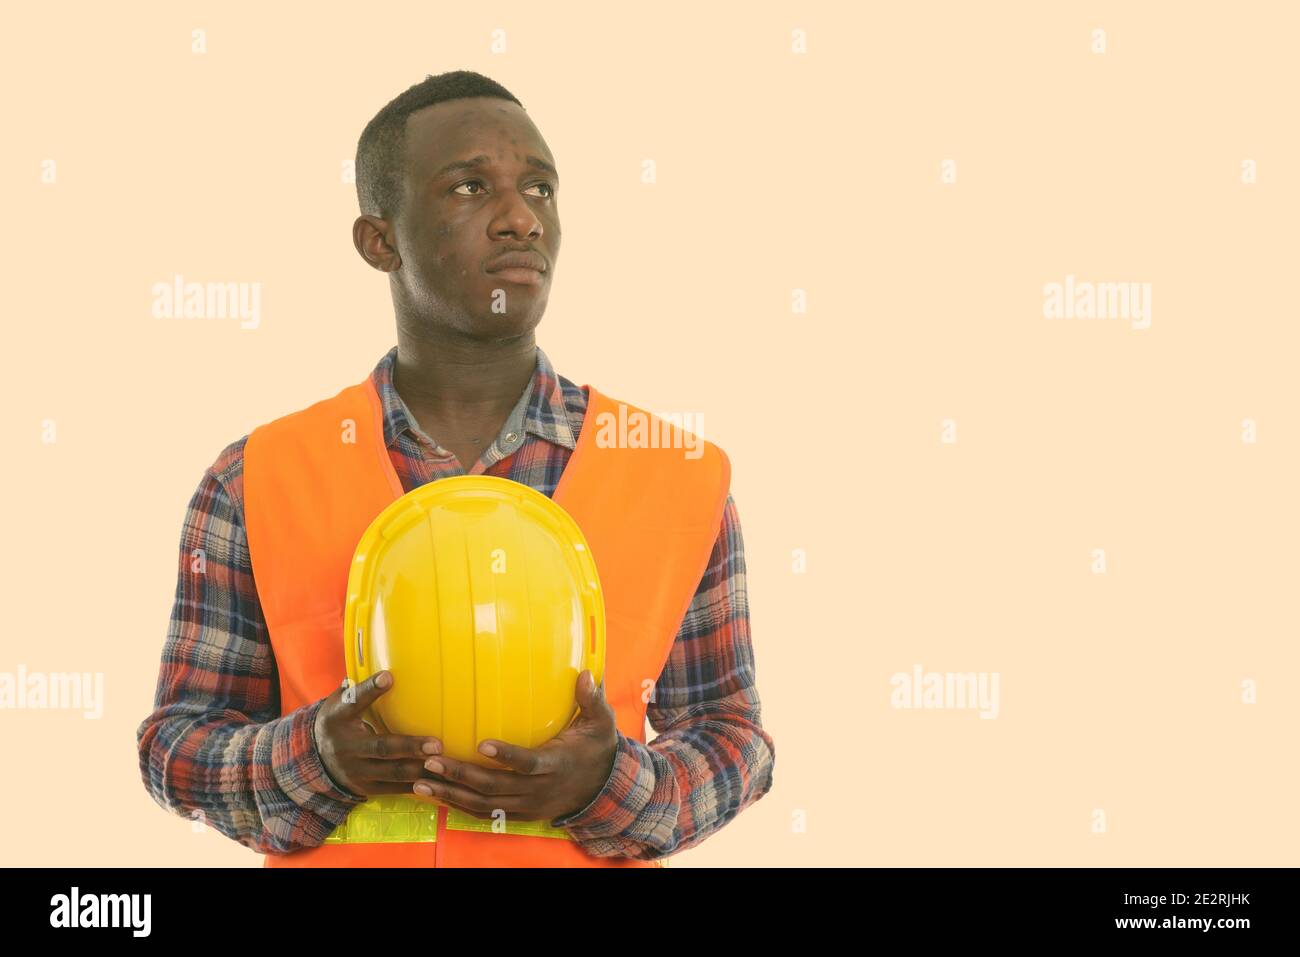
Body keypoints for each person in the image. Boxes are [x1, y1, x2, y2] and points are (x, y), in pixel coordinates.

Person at [136, 69, 775, 866]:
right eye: (471, 187)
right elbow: (176, 747)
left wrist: (611, 782)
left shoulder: (680, 477)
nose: (519, 219)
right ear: (381, 240)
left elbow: (735, 741)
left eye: (540, 188)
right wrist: (315, 760)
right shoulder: (255, 479)